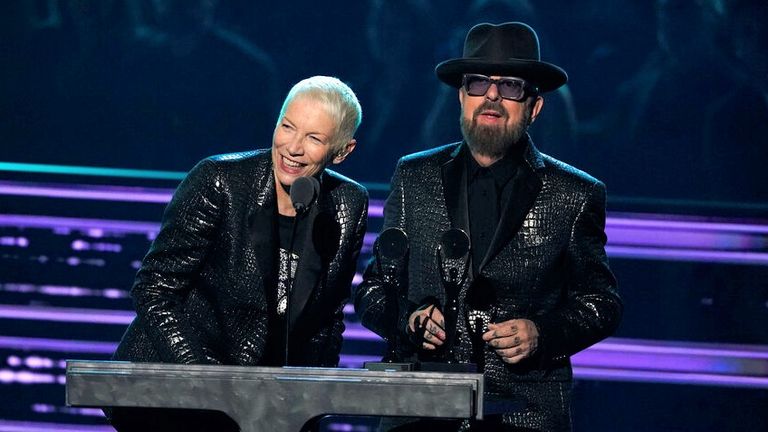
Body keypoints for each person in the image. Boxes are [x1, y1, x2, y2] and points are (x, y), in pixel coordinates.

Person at [355, 22, 622, 431]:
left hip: (523, 411)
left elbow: (601, 304)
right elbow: (374, 290)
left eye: (511, 85)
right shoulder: (413, 176)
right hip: (421, 408)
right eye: (478, 83)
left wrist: (542, 334)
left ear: (534, 107)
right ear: (462, 98)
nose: (492, 95)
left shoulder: (575, 194)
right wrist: (409, 322)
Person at [109, 75, 367, 431]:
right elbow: (154, 289)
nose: (292, 147)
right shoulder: (220, 181)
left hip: (262, 404)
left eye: (314, 138)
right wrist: (213, 386)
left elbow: (327, 319)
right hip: (172, 393)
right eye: (287, 127)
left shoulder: (348, 205)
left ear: (342, 151)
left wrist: (310, 405)